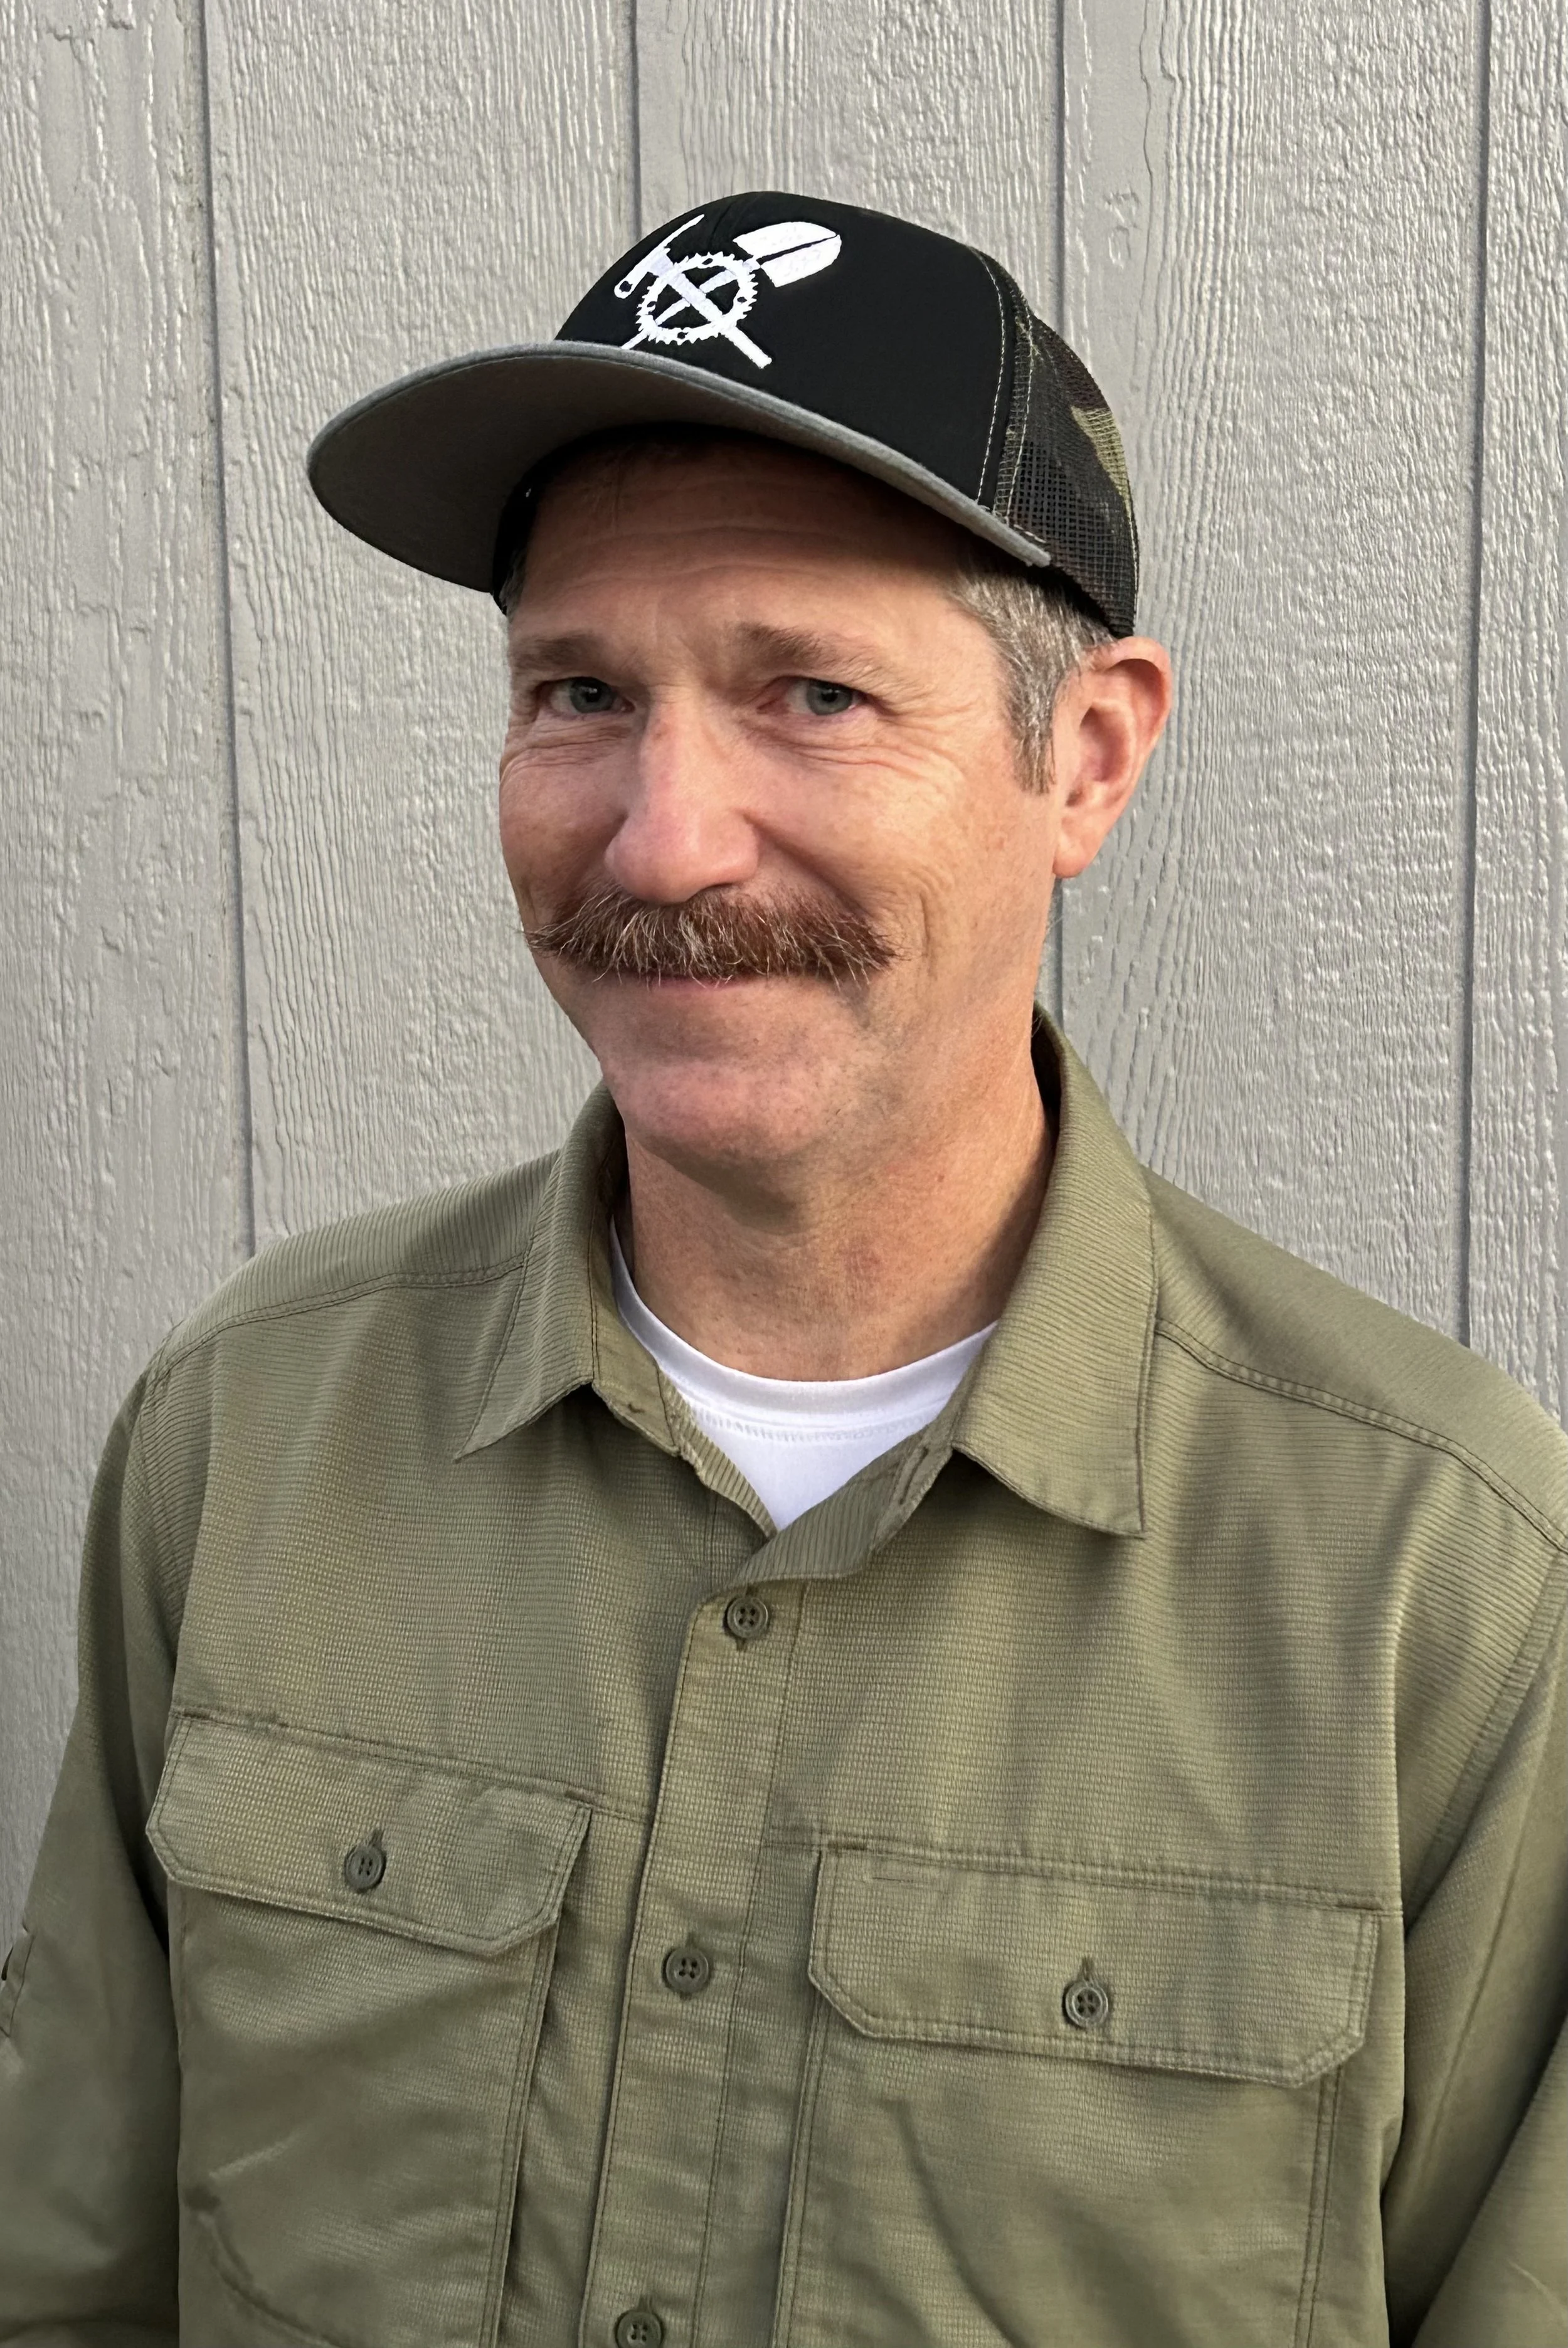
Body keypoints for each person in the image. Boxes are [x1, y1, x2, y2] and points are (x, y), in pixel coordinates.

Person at [0, 191, 1562, 2348]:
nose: (659, 838)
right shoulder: (249, 1438)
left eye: (810, 693)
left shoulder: (1436, 1581)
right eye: (579, 693)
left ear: (1085, 755)